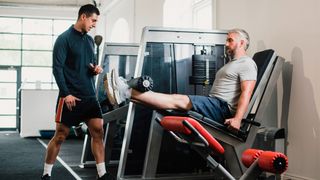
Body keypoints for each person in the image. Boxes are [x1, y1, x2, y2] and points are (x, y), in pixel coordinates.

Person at [105, 28, 257, 132]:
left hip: (221, 108)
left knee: (177, 100)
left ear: (242, 43)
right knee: (171, 105)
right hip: (214, 104)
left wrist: (237, 120)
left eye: (230, 40)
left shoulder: (247, 63)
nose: (226, 44)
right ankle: (125, 93)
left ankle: (125, 90)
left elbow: (246, 93)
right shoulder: (232, 64)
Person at [41, 4, 114, 180]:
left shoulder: (90, 41)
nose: (94, 24)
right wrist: (66, 94)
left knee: (98, 131)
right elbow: (57, 69)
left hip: (89, 96)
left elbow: (88, 65)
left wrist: (94, 69)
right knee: (60, 136)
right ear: (83, 17)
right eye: (93, 20)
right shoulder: (64, 39)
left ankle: (102, 174)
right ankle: (46, 174)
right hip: (69, 97)